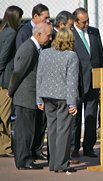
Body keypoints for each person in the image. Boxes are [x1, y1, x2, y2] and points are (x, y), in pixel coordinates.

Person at [7, 23, 52, 170]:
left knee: (31, 129)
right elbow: (18, 72)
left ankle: (29, 156)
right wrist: (11, 90)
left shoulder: (36, 48)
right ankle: (24, 160)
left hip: (31, 95)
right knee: (25, 130)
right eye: (48, 35)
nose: (50, 38)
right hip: (26, 96)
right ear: (39, 34)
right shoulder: (28, 49)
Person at [36, 28, 79, 173]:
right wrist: (73, 102)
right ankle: (62, 164)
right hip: (64, 97)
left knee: (52, 129)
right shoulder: (71, 55)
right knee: (64, 131)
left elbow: (39, 75)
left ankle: (53, 163)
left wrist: (38, 98)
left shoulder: (45, 53)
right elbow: (72, 81)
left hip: (47, 95)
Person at [71, 7, 103, 158]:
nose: (86, 24)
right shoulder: (70, 35)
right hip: (77, 82)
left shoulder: (94, 32)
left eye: (87, 21)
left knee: (91, 115)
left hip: (94, 81)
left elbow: (101, 55)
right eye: (83, 22)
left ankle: (89, 147)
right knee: (76, 117)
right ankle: (74, 147)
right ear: (75, 22)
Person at [0, 6, 23, 157]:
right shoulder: (12, 33)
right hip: (6, 80)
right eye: (20, 17)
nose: (21, 20)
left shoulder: (2, 31)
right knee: (5, 114)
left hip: (3, 78)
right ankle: (6, 147)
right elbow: (4, 55)